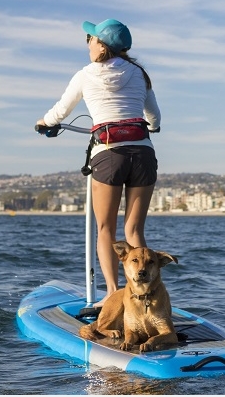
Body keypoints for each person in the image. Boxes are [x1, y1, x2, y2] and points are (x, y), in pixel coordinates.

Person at [36, 19, 161, 307]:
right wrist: (150, 126)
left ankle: (113, 294)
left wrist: (43, 123)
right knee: (134, 230)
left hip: (109, 153)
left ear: (101, 45)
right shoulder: (140, 74)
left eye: (90, 39)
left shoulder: (85, 75)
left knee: (105, 228)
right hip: (142, 153)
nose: (88, 44)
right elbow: (154, 117)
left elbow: (59, 113)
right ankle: (143, 294)